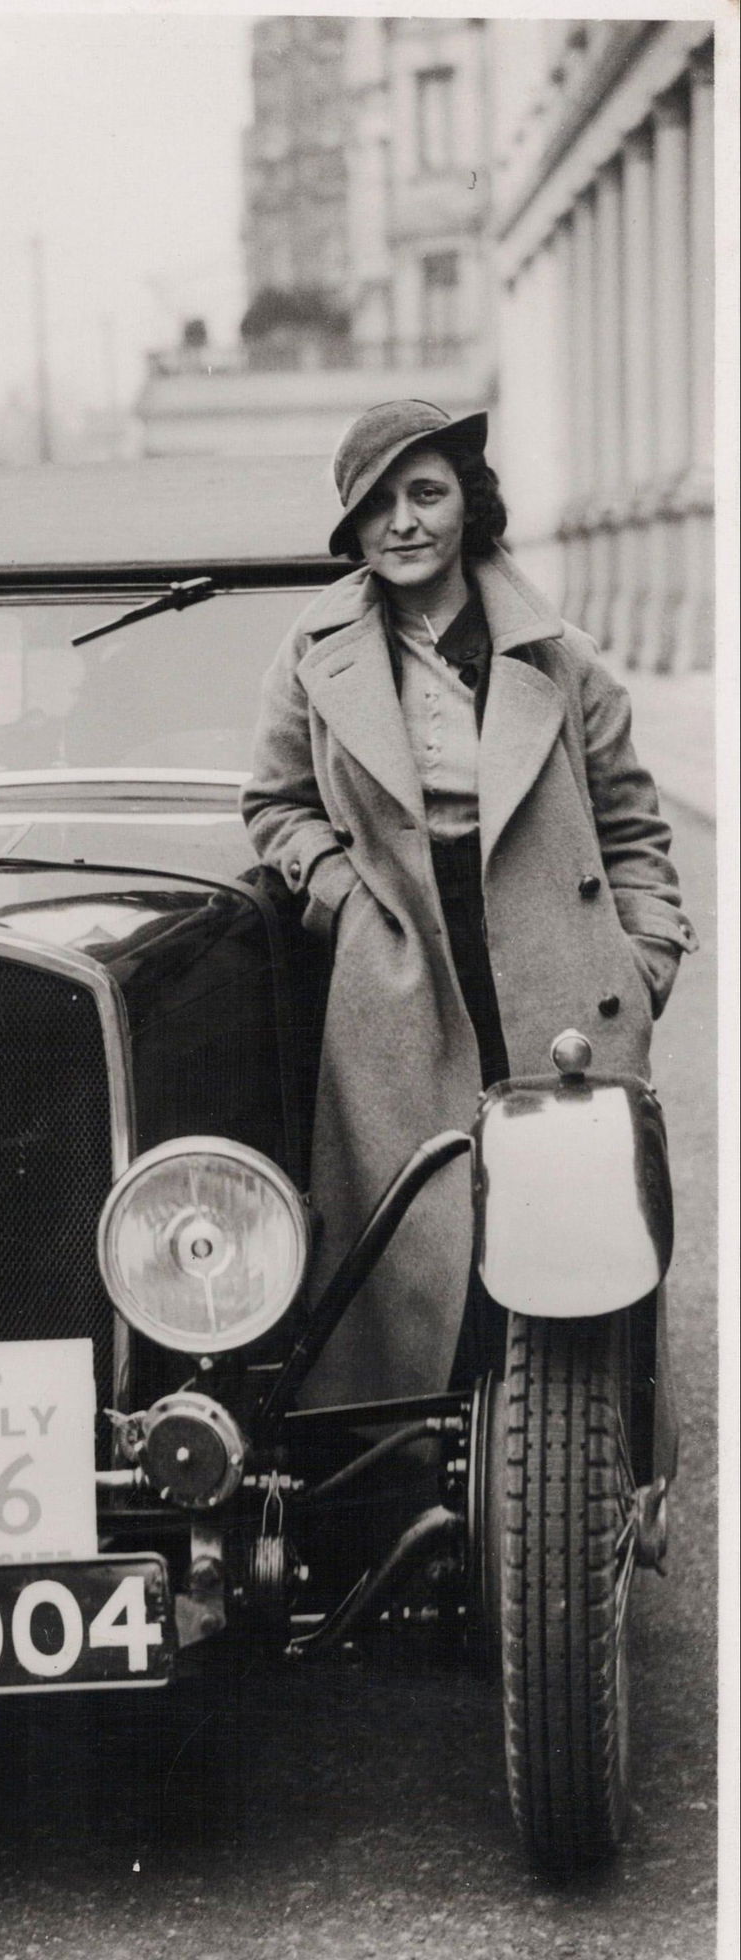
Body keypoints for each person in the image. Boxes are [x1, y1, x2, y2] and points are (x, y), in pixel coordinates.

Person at [242, 400, 695, 1409]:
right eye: (377, 504)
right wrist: (344, 902)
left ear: (469, 506)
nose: (403, 522)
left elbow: (631, 828)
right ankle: (412, 1461)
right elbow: (274, 804)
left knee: (572, 1231)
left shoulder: (561, 656)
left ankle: (573, 1456)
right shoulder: (313, 650)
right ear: (353, 526)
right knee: (419, 1229)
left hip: (555, 968)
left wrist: (644, 959)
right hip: (402, 965)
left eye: (427, 494)